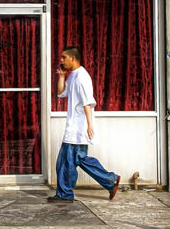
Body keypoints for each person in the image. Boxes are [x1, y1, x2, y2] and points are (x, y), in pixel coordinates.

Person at [47, 46, 121, 204]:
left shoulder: (82, 77)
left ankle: (65, 194)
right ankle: (110, 180)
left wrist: (89, 125)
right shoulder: (73, 76)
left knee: (65, 163)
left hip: (77, 129)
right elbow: (61, 93)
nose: (61, 60)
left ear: (72, 59)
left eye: (63, 57)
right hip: (74, 128)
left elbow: (88, 102)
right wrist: (61, 76)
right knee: (80, 160)